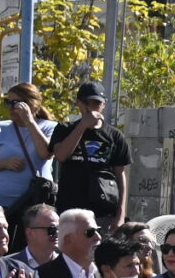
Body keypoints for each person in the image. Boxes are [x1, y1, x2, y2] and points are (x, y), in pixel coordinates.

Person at [47, 81, 131, 226]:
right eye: (87, 103)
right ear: (78, 103)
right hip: (70, 209)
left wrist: (121, 214)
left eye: (96, 103)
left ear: (104, 105)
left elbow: (120, 175)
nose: (92, 108)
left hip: (103, 211)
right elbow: (61, 155)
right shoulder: (64, 129)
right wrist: (82, 125)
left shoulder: (115, 136)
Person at [0, 82, 54, 213]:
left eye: (16, 103)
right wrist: (3, 163)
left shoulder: (49, 127)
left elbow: (45, 153)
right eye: (8, 102)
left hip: (35, 203)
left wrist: (29, 122)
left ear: (32, 104)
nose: (11, 107)